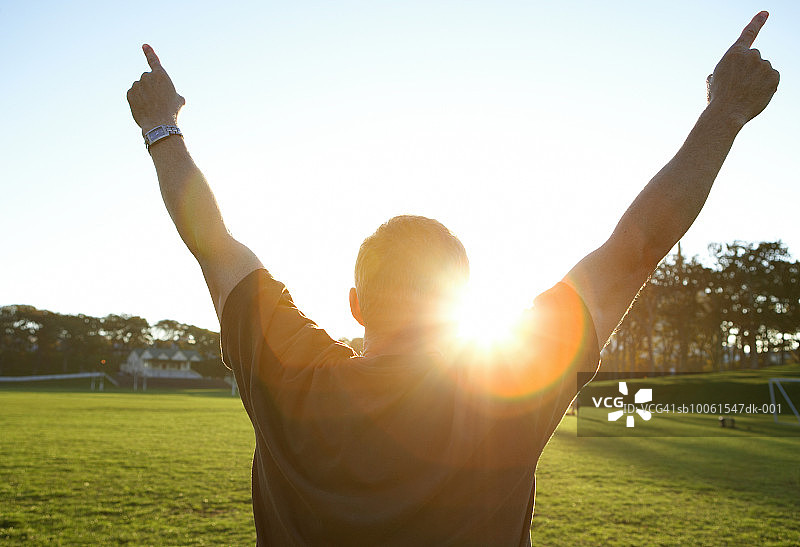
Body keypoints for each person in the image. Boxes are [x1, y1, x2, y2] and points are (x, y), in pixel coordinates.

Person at [127, 11, 779, 545]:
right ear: (464, 303)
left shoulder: (290, 375)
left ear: (356, 304)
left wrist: (163, 127)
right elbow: (637, 247)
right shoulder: (501, 391)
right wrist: (725, 112)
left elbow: (211, 243)